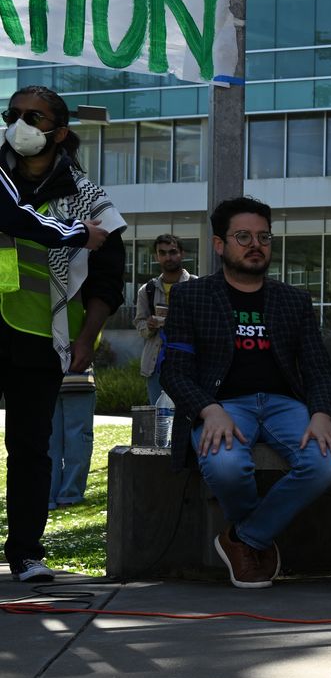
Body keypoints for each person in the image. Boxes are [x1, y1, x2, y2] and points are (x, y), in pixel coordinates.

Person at [160, 196, 331, 588]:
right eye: (242, 236)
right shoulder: (192, 297)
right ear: (219, 244)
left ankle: (244, 538)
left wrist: (323, 414)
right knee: (226, 467)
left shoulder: (293, 300)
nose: (254, 244)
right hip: (223, 405)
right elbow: (173, 371)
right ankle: (256, 538)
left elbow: (316, 367)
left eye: (263, 236)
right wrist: (208, 409)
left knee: (325, 463)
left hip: (284, 405)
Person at [0, 85, 114, 582]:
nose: (21, 123)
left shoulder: (88, 195)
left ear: (60, 131)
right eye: (14, 114)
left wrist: (87, 337)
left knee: (31, 447)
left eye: (35, 116)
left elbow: (109, 275)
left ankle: (25, 552)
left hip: (40, 338)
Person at [135, 234, 193, 405]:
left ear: (182, 254)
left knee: (188, 414)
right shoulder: (147, 290)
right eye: (163, 253)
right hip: (156, 365)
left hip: (187, 364)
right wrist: (150, 325)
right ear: (156, 257)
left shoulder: (196, 285)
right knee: (159, 416)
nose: (168, 257)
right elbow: (139, 325)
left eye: (173, 252)